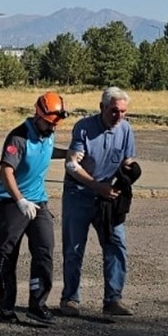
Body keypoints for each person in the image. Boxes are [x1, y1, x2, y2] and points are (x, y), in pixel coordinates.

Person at [60, 87, 139, 318]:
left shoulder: (125, 129)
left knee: (116, 244)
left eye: (123, 112)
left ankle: (113, 299)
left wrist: (130, 172)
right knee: (74, 248)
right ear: (102, 107)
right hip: (79, 194)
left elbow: (127, 161)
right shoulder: (84, 127)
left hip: (107, 198)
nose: (119, 116)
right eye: (114, 111)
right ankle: (70, 299)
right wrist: (96, 185)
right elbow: (71, 165)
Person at [0, 91, 67, 326]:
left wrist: (69, 154)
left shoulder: (49, 132)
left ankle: (37, 304)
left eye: (55, 124)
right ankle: (6, 307)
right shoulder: (18, 137)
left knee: (45, 250)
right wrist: (20, 200)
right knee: (7, 255)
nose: (52, 128)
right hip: (11, 202)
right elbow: (6, 171)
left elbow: (48, 149)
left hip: (39, 202)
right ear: (38, 115)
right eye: (48, 123)